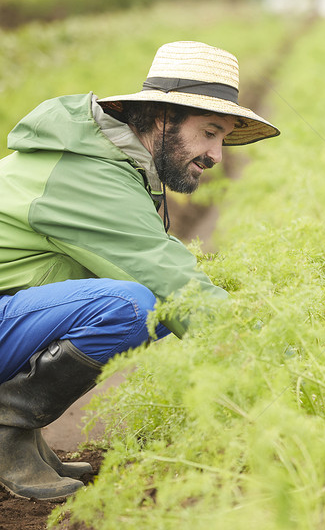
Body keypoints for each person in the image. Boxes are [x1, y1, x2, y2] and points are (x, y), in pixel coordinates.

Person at [0, 41, 279, 501]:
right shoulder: (84, 175)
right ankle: (6, 428)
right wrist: (275, 365)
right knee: (137, 304)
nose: (217, 155)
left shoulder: (113, 162)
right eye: (209, 132)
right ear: (160, 116)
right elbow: (171, 279)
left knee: (155, 305)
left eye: (223, 139)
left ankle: (22, 431)